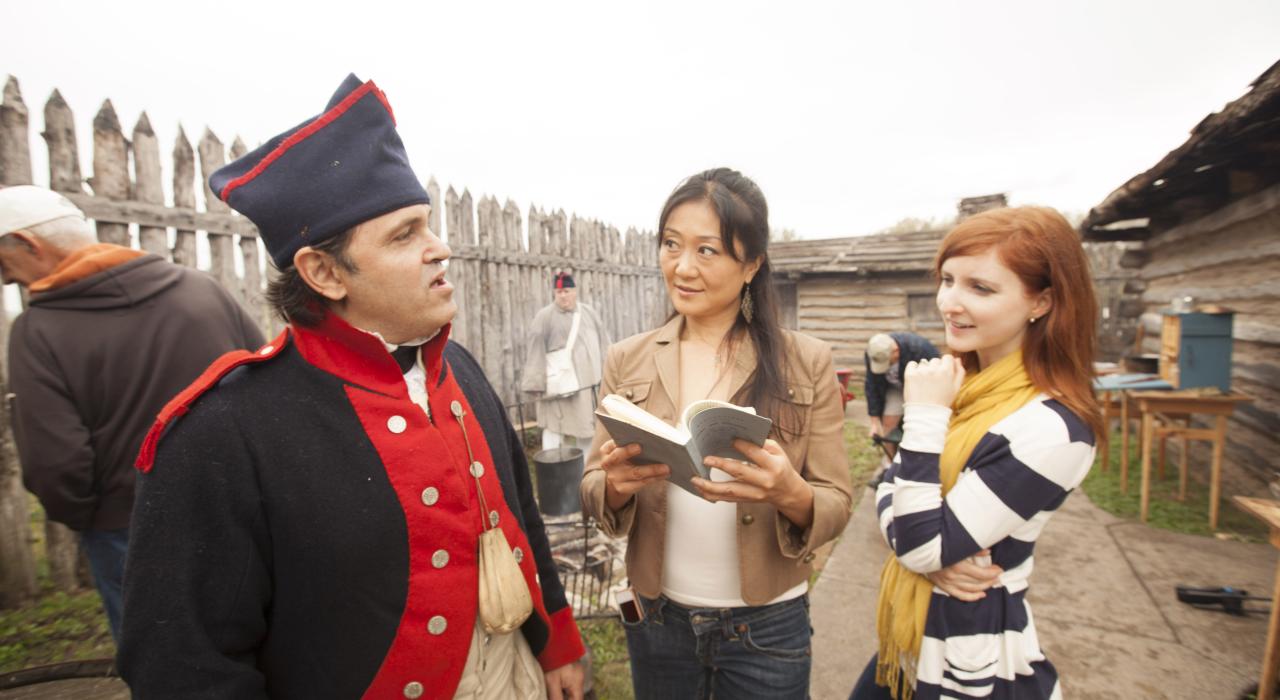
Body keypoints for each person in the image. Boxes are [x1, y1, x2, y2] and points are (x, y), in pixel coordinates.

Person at [118, 74, 585, 700]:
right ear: (324, 272)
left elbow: (520, 516)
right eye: (405, 235)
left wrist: (557, 645)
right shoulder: (222, 432)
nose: (440, 249)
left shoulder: (461, 369)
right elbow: (184, 664)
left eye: (428, 225)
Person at [580, 167, 853, 699]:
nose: (682, 267)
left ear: (751, 264)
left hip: (767, 624)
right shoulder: (627, 358)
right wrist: (613, 486)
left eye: (707, 250)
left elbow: (838, 501)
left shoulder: (806, 361)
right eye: (671, 244)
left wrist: (790, 493)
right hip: (659, 618)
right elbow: (592, 485)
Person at [852, 207, 1103, 699]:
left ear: (1042, 301)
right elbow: (889, 488)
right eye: (947, 280)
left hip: (967, 655)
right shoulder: (963, 385)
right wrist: (922, 548)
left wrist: (926, 419)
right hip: (911, 640)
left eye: (980, 288)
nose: (950, 302)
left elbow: (918, 542)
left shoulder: (1055, 429)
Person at [0, 185, 263, 641]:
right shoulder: (201, 290)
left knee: (162, 656)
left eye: (3, 263)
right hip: (237, 505)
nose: (6, 280)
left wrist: (90, 517)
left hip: (130, 526)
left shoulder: (38, 331)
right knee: (259, 639)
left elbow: (56, 461)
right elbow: (268, 383)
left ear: (28, 243)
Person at [520, 271, 610, 450]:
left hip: (587, 386)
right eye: (559, 292)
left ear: (574, 291)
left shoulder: (589, 313)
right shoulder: (544, 317)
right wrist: (536, 384)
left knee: (587, 428)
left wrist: (610, 371)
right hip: (559, 386)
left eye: (567, 291)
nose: (563, 296)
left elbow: (604, 343)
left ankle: (587, 465)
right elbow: (535, 351)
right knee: (554, 428)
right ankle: (552, 463)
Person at [864, 332, 939, 461]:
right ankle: (889, 463)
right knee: (888, 422)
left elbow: (937, 378)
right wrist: (875, 422)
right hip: (895, 388)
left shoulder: (920, 349)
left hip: (922, 388)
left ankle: (919, 460)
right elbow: (872, 385)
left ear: (896, 351)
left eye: (887, 361)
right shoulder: (874, 353)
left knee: (918, 424)